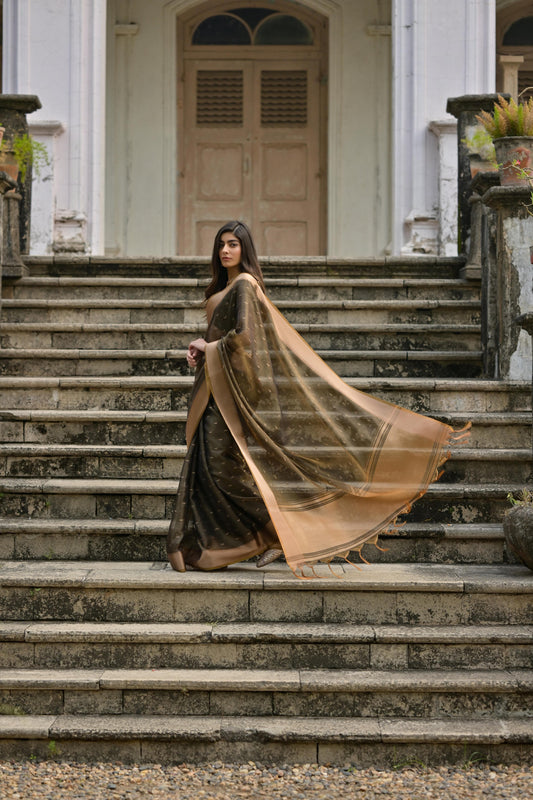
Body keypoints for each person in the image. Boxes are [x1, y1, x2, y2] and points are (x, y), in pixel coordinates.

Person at [167, 221, 469, 577]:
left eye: (233, 244)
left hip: (232, 395)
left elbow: (246, 340)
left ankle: (281, 534)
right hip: (213, 390)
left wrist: (210, 346)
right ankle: (228, 543)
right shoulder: (223, 288)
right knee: (213, 471)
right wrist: (202, 351)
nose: (225, 251)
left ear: (245, 250)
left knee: (222, 471)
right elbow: (221, 339)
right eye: (221, 244)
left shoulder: (246, 285)